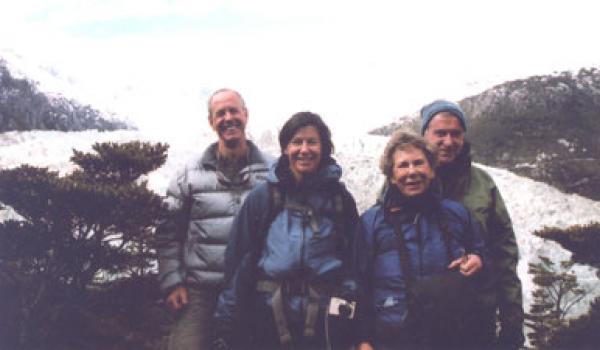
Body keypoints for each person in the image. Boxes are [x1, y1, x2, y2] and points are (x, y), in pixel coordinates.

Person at [213, 111, 363, 350]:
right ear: (285, 149)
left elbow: (354, 262)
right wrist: (226, 326)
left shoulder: (339, 200)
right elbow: (239, 262)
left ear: (324, 148)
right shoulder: (263, 198)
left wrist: (351, 318)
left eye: (312, 142)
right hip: (268, 318)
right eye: (296, 142)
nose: (304, 149)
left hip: (325, 322)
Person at [156, 88, 272, 350]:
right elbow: (167, 231)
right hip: (200, 292)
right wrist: (173, 282)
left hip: (254, 289)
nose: (228, 118)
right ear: (211, 122)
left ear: (246, 115)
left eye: (234, 111)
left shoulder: (272, 172)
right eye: (220, 113)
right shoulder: (190, 174)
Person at [357, 131, 487, 350]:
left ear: (432, 169)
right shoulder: (372, 222)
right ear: (391, 175)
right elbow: (357, 283)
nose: (412, 172)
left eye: (419, 163)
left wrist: (478, 260)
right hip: (391, 339)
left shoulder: (456, 214)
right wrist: (362, 340)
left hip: (450, 337)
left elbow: (484, 256)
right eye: (403, 165)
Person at [420, 99, 525, 349]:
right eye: (440, 133)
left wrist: (512, 321)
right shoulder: (405, 180)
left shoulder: (483, 184)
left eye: (455, 133)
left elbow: (504, 253)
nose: (448, 141)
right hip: (419, 319)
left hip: (476, 316)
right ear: (424, 135)